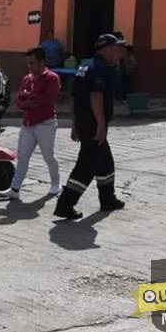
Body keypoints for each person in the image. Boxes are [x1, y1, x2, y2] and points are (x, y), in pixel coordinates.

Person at [54, 34, 128, 220]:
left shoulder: (86, 66)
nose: (120, 51)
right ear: (107, 49)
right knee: (87, 165)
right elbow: (96, 97)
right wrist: (101, 125)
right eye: (117, 47)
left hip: (84, 121)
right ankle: (65, 205)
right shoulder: (99, 68)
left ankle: (107, 199)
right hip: (93, 123)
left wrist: (74, 123)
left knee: (105, 162)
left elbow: (74, 97)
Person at [0, 47, 62, 199]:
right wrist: (28, 100)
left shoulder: (52, 78)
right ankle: (15, 189)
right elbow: (19, 101)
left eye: (32, 63)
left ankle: (56, 183)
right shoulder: (27, 78)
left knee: (48, 156)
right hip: (28, 123)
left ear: (42, 62)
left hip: (45, 123)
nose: (30, 67)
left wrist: (29, 96)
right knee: (23, 156)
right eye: (28, 64)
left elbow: (47, 99)